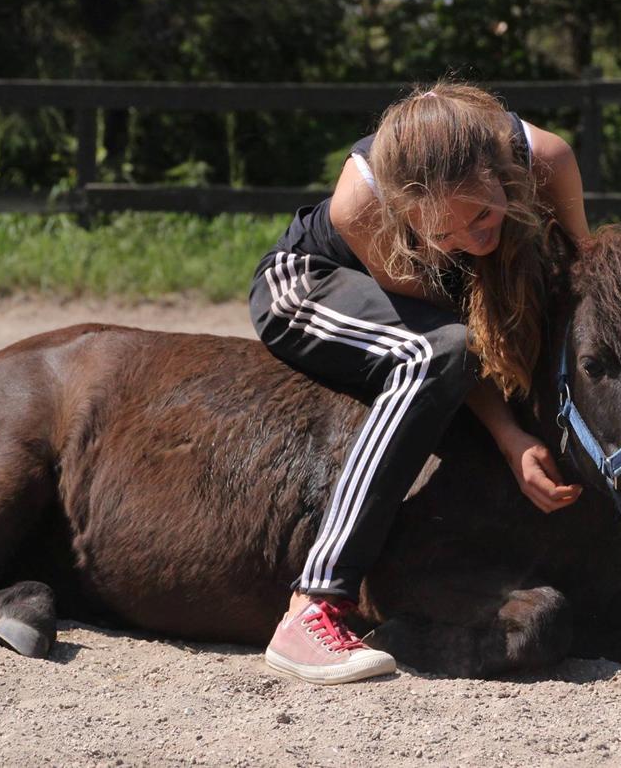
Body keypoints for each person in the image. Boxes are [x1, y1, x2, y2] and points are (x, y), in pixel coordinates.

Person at [248, 82, 591, 685]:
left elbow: (578, 281)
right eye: (444, 236)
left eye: (483, 213)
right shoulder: (363, 203)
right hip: (308, 287)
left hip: (435, 315)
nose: (475, 239)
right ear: (409, 213)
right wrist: (509, 434)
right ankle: (313, 606)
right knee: (436, 352)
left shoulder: (548, 160)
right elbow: (450, 335)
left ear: (500, 173)